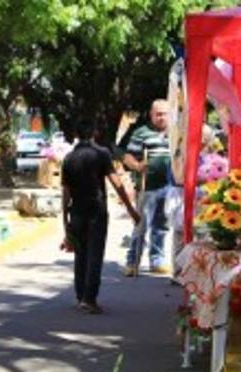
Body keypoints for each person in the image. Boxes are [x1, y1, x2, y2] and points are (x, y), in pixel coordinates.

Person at [61, 117, 139, 314]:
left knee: (81, 254)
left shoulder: (69, 158)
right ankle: (90, 299)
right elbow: (116, 182)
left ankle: (80, 297)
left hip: (76, 211)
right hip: (97, 210)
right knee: (95, 255)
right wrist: (130, 208)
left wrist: (65, 224)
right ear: (94, 133)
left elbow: (65, 194)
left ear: (77, 135)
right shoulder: (101, 154)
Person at [122, 99, 172, 276]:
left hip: (169, 187)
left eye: (164, 114)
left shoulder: (174, 133)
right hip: (147, 187)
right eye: (158, 114)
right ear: (151, 115)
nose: (161, 117)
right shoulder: (141, 133)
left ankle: (156, 261)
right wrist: (137, 166)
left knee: (162, 226)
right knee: (141, 225)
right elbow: (127, 157)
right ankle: (132, 262)